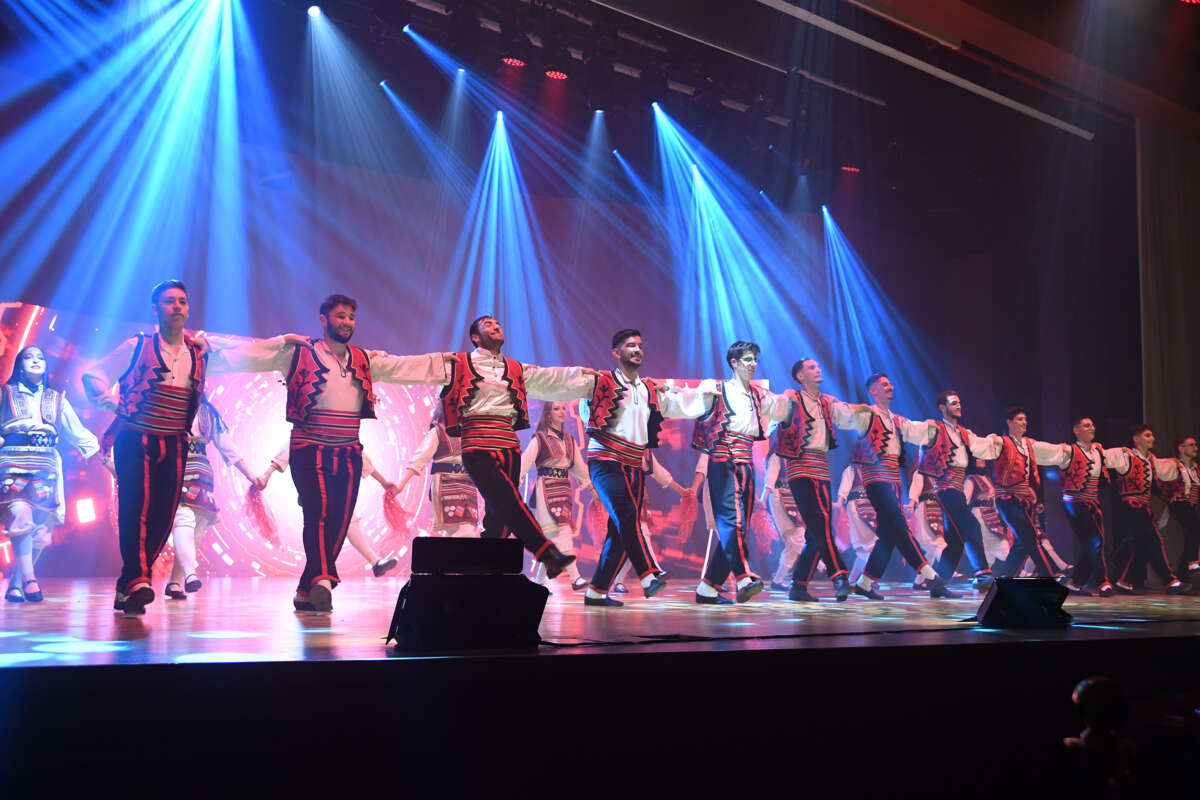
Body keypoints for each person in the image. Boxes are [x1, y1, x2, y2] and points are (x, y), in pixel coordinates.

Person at [209, 294, 450, 612]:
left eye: (351, 317)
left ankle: (306, 589)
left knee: (341, 518)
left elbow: (402, 366)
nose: (347, 322)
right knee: (319, 513)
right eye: (340, 316)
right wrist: (212, 347)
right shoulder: (299, 351)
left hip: (348, 451)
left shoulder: (363, 359)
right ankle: (323, 580)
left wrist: (450, 364)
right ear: (323, 319)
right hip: (309, 447)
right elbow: (253, 355)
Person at [82, 279, 208, 615]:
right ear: (155, 309)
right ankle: (139, 580)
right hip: (136, 437)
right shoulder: (137, 346)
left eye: (182, 301)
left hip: (175, 441)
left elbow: (241, 355)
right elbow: (93, 375)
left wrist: (283, 343)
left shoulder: (198, 352)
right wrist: (111, 403)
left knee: (164, 516)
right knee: (135, 508)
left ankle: (128, 584)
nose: (177, 306)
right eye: (170, 301)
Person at [581, 329, 708, 607]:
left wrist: (711, 395)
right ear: (616, 352)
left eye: (639, 345)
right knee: (627, 515)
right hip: (605, 459)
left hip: (633, 464)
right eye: (630, 345)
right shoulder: (602, 381)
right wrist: (590, 392)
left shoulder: (648, 389)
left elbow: (680, 404)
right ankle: (648, 574)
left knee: (620, 529)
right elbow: (585, 412)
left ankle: (597, 591)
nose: (637, 350)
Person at [2, 345, 109, 603]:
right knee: (20, 514)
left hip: (46, 467)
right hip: (13, 461)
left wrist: (108, 464)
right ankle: (30, 580)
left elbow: (79, 434)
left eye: (40, 357)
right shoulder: (5, 393)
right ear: (19, 365)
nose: (35, 360)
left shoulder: (56, 399)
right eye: (28, 357)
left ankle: (16, 582)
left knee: (41, 530)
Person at [691, 341, 794, 605]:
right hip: (723, 459)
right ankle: (743, 577)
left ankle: (708, 588)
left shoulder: (758, 395)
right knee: (731, 523)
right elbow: (685, 402)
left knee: (740, 528)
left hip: (746, 462)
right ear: (734, 362)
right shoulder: (717, 389)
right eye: (747, 359)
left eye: (755, 359)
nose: (753, 364)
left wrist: (798, 398)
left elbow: (782, 408)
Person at [835, 373, 956, 599]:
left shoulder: (897, 420)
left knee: (888, 534)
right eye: (884, 384)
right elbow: (841, 416)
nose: (890, 386)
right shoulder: (867, 415)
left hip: (893, 481)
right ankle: (928, 574)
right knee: (900, 526)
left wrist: (934, 428)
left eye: (890, 383)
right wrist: (856, 407)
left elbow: (916, 431)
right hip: (875, 477)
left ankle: (865, 583)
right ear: (873, 391)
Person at [773, 358, 869, 603]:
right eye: (811, 368)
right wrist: (782, 398)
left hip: (821, 468)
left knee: (818, 532)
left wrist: (866, 408)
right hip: (799, 468)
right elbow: (771, 411)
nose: (818, 370)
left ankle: (798, 586)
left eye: (818, 367)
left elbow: (847, 415)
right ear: (800, 376)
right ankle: (839, 576)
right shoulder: (792, 399)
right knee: (821, 523)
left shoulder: (827, 403)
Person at [163, 396, 257, 600]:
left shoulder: (208, 413)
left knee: (196, 530)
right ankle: (190, 574)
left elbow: (228, 447)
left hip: (202, 475)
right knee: (183, 520)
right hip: (176, 469)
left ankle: (175, 582)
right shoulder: (167, 403)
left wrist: (251, 475)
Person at [260, 444, 401, 579]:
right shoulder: (306, 433)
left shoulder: (339, 436)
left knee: (346, 521)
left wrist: (383, 482)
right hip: (313, 488)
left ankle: (373, 563)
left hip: (331, 487)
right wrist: (266, 475)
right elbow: (289, 448)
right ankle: (319, 575)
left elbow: (358, 455)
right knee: (330, 528)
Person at [913, 391, 1004, 590]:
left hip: (957, 488)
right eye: (954, 403)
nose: (958, 406)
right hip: (944, 487)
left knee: (955, 540)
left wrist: (995, 441)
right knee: (971, 524)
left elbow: (982, 445)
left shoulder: (964, 433)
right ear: (942, 407)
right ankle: (982, 573)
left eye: (959, 402)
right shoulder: (934, 429)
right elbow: (912, 430)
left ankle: (937, 584)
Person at [1108, 424, 1190, 594]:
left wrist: (1177, 464)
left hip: (1143, 506)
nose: (1152, 438)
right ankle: (1170, 580)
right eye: (1147, 435)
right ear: (1136, 439)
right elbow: (1104, 457)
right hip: (1131, 505)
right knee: (1154, 540)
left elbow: (1165, 468)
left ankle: (1125, 581)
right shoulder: (1126, 456)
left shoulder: (1151, 459)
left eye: (1152, 435)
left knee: (1143, 545)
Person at [989, 407, 1070, 579]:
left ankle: (1001, 575)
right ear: (1009, 422)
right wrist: (988, 439)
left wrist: (1063, 449)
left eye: (1025, 419)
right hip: (1007, 498)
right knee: (1031, 537)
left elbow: (1048, 449)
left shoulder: (1029, 445)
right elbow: (983, 445)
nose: (1024, 422)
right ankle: (1051, 574)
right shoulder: (1001, 442)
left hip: (1024, 500)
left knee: (1023, 541)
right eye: (1019, 419)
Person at [520, 401, 591, 590]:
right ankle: (576, 578)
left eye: (563, 408)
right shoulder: (540, 439)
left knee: (553, 538)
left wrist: (593, 487)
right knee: (561, 533)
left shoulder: (569, 440)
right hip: (546, 490)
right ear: (548, 414)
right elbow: (524, 463)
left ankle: (537, 583)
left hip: (564, 489)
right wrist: (513, 482)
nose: (561, 412)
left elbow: (579, 468)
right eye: (556, 409)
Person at [394, 406, 479, 538]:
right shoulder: (438, 431)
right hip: (447, 485)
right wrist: (402, 483)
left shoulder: (468, 433)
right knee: (464, 531)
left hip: (467, 485)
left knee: (465, 531)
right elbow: (420, 458)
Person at [761, 439, 805, 590]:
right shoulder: (776, 456)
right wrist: (762, 500)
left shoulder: (794, 457)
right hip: (779, 497)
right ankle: (821, 562)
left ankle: (778, 580)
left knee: (794, 541)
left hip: (793, 497)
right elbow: (770, 481)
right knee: (796, 536)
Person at [1159, 434, 1200, 581]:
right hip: (1179, 504)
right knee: (1196, 528)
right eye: (1191, 445)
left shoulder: (1195, 468)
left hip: (1191, 506)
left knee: (1191, 537)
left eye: (1195, 445)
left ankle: (1183, 577)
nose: (1196, 448)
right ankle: (1193, 561)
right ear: (1181, 448)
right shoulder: (1174, 465)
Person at [836, 464, 878, 587]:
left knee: (864, 551)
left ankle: (852, 580)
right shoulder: (851, 469)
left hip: (871, 507)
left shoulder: (871, 469)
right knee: (875, 542)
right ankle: (867, 579)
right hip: (856, 507)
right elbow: (844, 489)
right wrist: (839, 502)